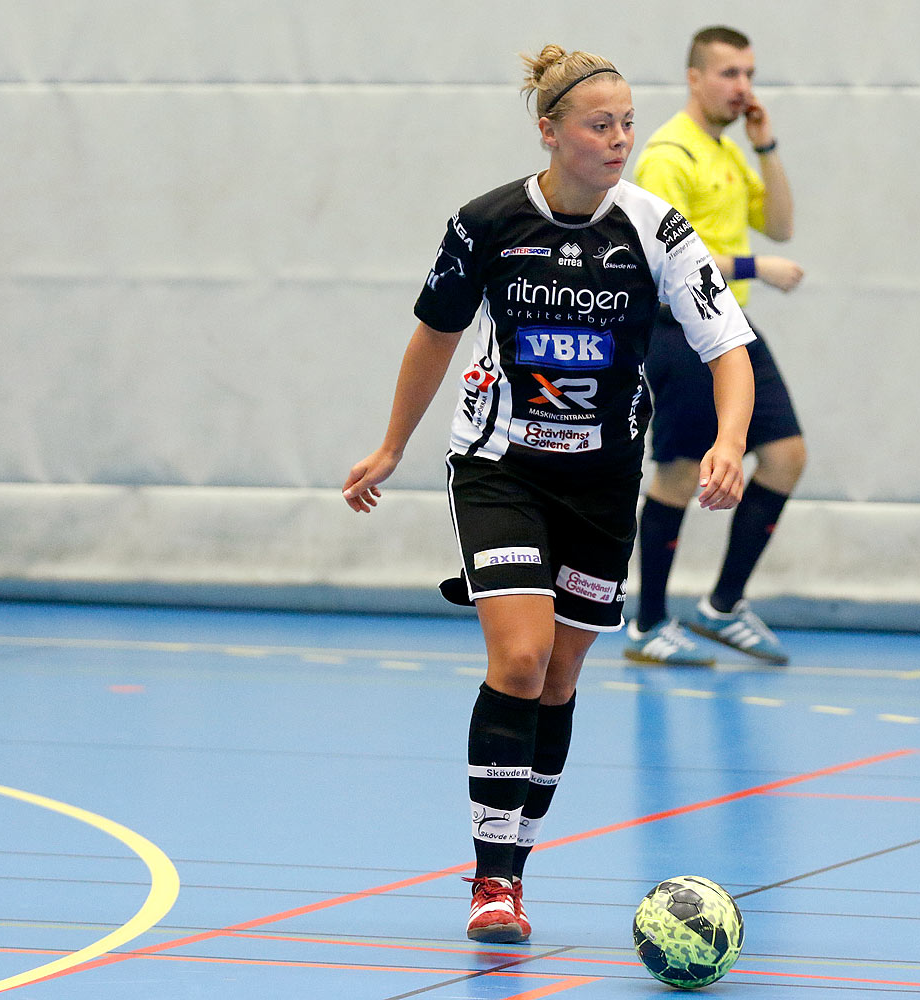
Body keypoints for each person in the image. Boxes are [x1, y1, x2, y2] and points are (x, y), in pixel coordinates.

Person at [342, 45, 757, 943]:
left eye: (625, 125)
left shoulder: (655, 227)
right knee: (522, 661)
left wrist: (728, 440)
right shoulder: (488, 222)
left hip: (604, 481)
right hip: (502, 469)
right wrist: (390, 446)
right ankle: (490, 881)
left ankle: (516, 868)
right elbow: (434, 336)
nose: (617, 141)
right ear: (551, 132)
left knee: (561, 679)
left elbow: (730, 347)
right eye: (598, 126)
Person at [624, 25, 807, 667]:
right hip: (682, 333)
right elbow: (668, 256)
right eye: (730, 74)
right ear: (695, 77)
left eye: (749, 74)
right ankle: (646, 624)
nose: (743, 88)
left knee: (785, 456)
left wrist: (767, 145)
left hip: (731, 328)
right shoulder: (668, 155)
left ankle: (722, 606)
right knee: (678, 473)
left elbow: (780, 224)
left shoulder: (726, 152)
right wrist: (756, 269)